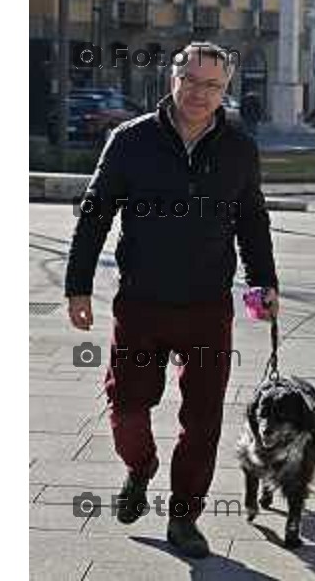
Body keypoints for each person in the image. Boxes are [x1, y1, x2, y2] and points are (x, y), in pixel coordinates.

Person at [64, 42, 279, 559]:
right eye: (192, 81)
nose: (200, 93)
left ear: (224, 89)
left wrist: (263, 280)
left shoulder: (238, 148)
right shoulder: (130, 141)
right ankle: (140, 468)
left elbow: (251, 219)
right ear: (172, 79)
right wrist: (78, 285)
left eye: (213, 85)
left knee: (203, 419)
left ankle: (185, 518)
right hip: (141, 303)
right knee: (128, 407)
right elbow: (95, 215)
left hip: (208, 306)